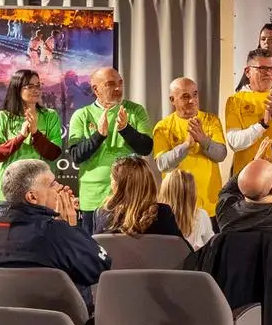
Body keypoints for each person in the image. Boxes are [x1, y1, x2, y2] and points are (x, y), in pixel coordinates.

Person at [0, 159, 111, 308]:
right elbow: (100, 267)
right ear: (32, 197)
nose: (61, 187)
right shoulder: (56, 232)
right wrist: (72, 228)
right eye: (53, 184)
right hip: (57, 320)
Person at [65, 67, 153, 214]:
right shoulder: (81, 115)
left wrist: (125, 129)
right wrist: (99, 135)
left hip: (130, 196)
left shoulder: (136, 111)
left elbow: (146, 148)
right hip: (93, 198)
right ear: (95, 89)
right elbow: (76, 156)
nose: (118, 88)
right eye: (110, 84)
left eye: (120, 83)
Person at [223, 50, 272, 189]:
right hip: (247, 182)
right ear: (248, 72)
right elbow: (235, 143)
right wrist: (262, 125)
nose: (268, 73)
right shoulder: (235, 100)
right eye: (262, 69)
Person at [150, 77, 230, 217]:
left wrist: (203, 140)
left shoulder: (211, 120)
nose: (192, 100)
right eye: (185, 96)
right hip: (178, 205)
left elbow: (221, 155)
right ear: (172, 100)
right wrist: (186, 146)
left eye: (195, 94)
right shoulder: (163, 127)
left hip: (210, 205)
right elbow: (162, 164)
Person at [0, 68, 63, 204]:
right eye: (30, 86)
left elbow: (54, 154)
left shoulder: (50, 116)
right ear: (17, 88)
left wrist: (35, 133)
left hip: (41, 190)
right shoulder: (2, 118)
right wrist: (20, 137)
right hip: (10, 190)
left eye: (38, 85)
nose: (36, 90)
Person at [95, 156, 184, 239]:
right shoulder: (163, 213)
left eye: (112, 179)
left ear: (119, 186)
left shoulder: (103, 214)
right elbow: (183, 248)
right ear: (148, 182)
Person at [161, 168, 213, 250]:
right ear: (193, 193)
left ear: (165, 191)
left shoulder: (158, 218)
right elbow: (213, 247)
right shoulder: (201, 216)